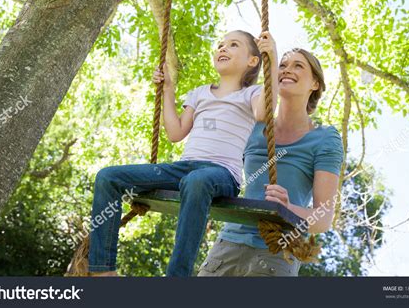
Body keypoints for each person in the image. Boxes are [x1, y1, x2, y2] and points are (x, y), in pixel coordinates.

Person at [88, 30, 279, 277]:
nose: (222, 48)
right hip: (184, 168)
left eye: (233, 45)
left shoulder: (251, 94)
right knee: (107, 177)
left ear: (252, 60)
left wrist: (272, 58)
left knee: (196, 180)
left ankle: (177, 276)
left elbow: (265, 113)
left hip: (222, 174)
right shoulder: (199, 93)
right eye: (220, 45)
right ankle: (103, 271)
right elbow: (176, 132)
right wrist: (168, 89)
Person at [198, 46, 343, 277]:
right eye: (283, 65)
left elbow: (323, 219)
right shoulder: (253, 126)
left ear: (315, 83)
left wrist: (287, 209)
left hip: (277, 252)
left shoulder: (325, 139)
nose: (287, 70)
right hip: (227, 245)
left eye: (298, 65)